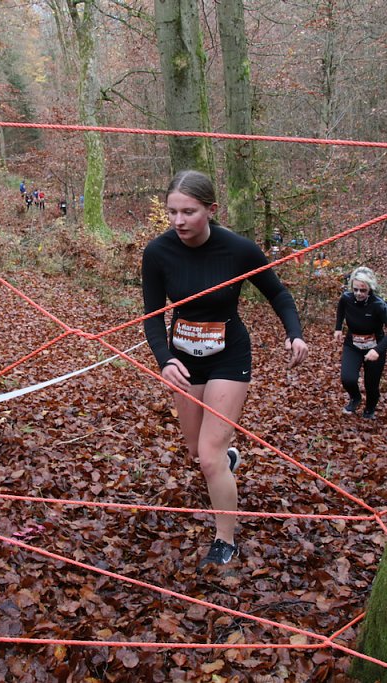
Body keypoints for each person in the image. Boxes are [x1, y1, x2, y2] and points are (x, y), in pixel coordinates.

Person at [142, 170, 309, 567]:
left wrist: (295, 334)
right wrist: (164, 360)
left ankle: (224, 540)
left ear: (211, 210)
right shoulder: (158, 252)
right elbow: (151, 316)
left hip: (228, 357)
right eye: (172, 212)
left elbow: (278, 293)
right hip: (183, 359)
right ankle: (226, 461)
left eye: (189, 212)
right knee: (196, 452)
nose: (178, 221)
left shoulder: (239, 249)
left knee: (209, 456)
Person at [333, 266, 387, 419]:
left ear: (370, 288)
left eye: (363, 290)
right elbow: (341, 309)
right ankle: (355, 397)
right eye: (355, 289)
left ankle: (370, 408)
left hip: (375, 346)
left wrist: (378, 350)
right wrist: (338, 328)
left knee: (371, 384)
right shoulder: (346, 298)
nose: (358, 294)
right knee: (347, 378)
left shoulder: (379, 305)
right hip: (353, 344)